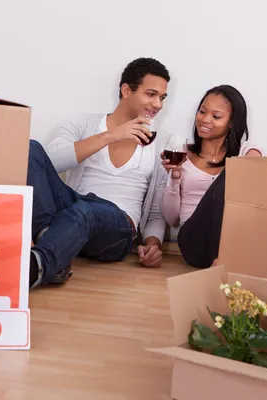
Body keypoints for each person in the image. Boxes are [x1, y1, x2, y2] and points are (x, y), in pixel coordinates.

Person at [27, 57, 171, 289]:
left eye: (162, 98)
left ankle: (36, 267)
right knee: (32, 149)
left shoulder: (158, 146)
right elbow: (48, 162)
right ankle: (54, 249)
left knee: (87, 210)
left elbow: (155, 212)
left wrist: (152, 244)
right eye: (151, 94)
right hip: (73, 212)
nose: (158, 104)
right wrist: (111, 136)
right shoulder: (84, 124)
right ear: (126, 90)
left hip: (118, 227)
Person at [160, 85, 264, 268]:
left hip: (232, 240)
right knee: (229, 176)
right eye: (202, 112)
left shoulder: (246, 151)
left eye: (216, 116)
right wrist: (174, 177)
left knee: (234, 172)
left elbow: (254, 192)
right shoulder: (183, 156)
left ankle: (224, 259)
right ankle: (221, 265)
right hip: (194, 242)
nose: (205, 120)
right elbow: (171, 218)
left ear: (232, 122)